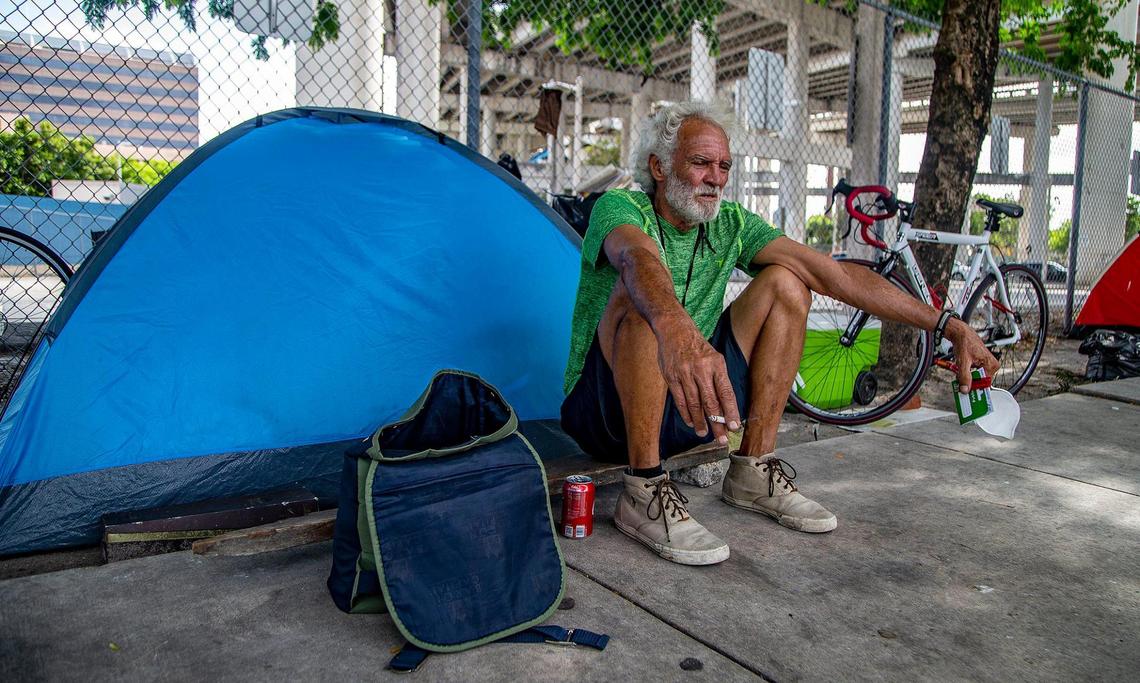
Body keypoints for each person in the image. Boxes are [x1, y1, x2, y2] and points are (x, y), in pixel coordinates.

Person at [559, 101, 999, 566]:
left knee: (789, 282)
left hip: (691, 406)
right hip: (606, 418)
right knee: (642, 298)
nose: (716, 177)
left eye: (724, 166)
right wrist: (677, 330)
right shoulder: (621, 207)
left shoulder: (731, 225)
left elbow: (835, 274)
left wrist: (949, 325)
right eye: (700, 163)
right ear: (659, 167)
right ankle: (643, 492)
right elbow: (637, 258)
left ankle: (753, 470)